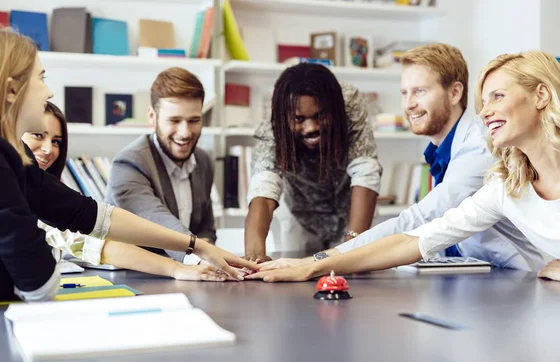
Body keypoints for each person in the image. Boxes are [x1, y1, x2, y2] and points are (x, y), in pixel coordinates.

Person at [0, 25, 256, 362]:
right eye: (42, 78)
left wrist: (195, 244)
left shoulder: (4, 158)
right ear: (11, 90)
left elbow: (93, 215)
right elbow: (40, 283)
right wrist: (51, 246)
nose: (50, 92)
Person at [246, 50, 560, 282]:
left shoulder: (477, 151)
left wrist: (317, 262)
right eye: (484, 101)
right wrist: (315, 264)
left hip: (524, 280)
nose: (484, 113)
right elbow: (419, 237)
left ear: (542, 95)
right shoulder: (504, 184)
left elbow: (419, 218)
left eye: (498, 97)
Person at [22, 102, 227, 281]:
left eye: (56, 141)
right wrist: (179, 266)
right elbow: (99, 245)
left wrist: (197, 250)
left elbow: (99, 228)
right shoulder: (132, 160)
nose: (49, 149)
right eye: (38, 135)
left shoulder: (52, 197)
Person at [244, 63, 382, 261]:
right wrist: (253, 258)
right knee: (295, 285)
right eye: (299, 119)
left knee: (357, 277)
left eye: (320, 116)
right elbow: (263, 192)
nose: (311, 128)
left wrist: (352, 246)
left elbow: (366, 170)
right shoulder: (273, 129)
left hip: (354, 212)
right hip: (301, 218)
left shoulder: (348, 103)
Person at [106, 67, 217, 266]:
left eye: (194, 120)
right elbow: (159, 223)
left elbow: (206, 228)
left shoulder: (203, 161)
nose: (185, 133)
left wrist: (206, 247)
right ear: (152, 116)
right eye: (174, 120)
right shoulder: (128, 163)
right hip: (136, 279)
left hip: (189, 276)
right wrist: (203, 255)